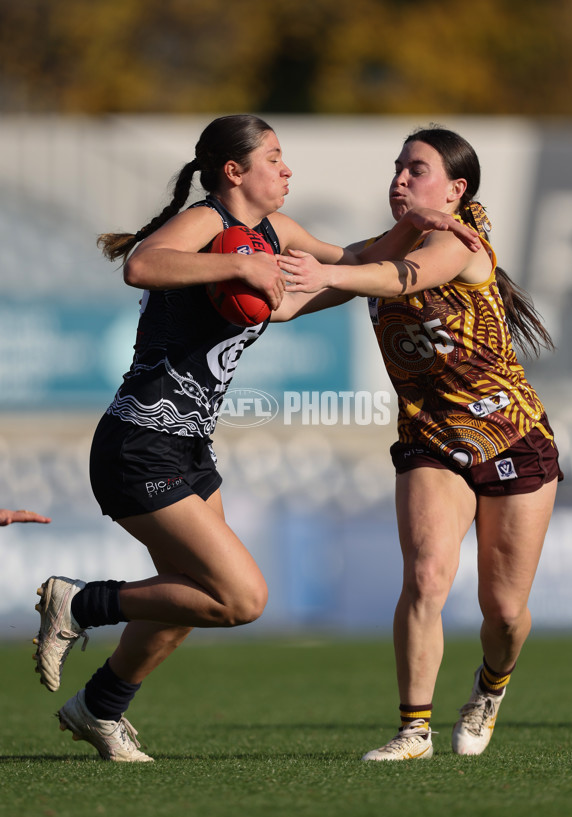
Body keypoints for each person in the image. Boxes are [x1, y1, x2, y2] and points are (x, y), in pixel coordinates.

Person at [32, 115, 478, 763]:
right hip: (137, 443)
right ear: (234, 171)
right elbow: (142, 264)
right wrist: (235, 264)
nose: (287, 169)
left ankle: (99, 707)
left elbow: (352, 260)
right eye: (273, 157)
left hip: (188, 447)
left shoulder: (279, 232)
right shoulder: (210, 221)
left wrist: (417, 225)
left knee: (187, 598)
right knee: (240, 597)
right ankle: (79, 601)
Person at [279, 125, 561, 760]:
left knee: (504, 612)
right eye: (398, 167)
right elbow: (289, 302)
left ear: (456, 190)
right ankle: (413, 731)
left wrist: (330, 269)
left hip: (511, 437)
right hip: (431, 436)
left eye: (418, 170)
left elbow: (400, 279)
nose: (401, 179)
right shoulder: (379, 247)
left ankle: (490, 687)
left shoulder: (458, 244)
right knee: (427, 576)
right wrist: (243, 262)